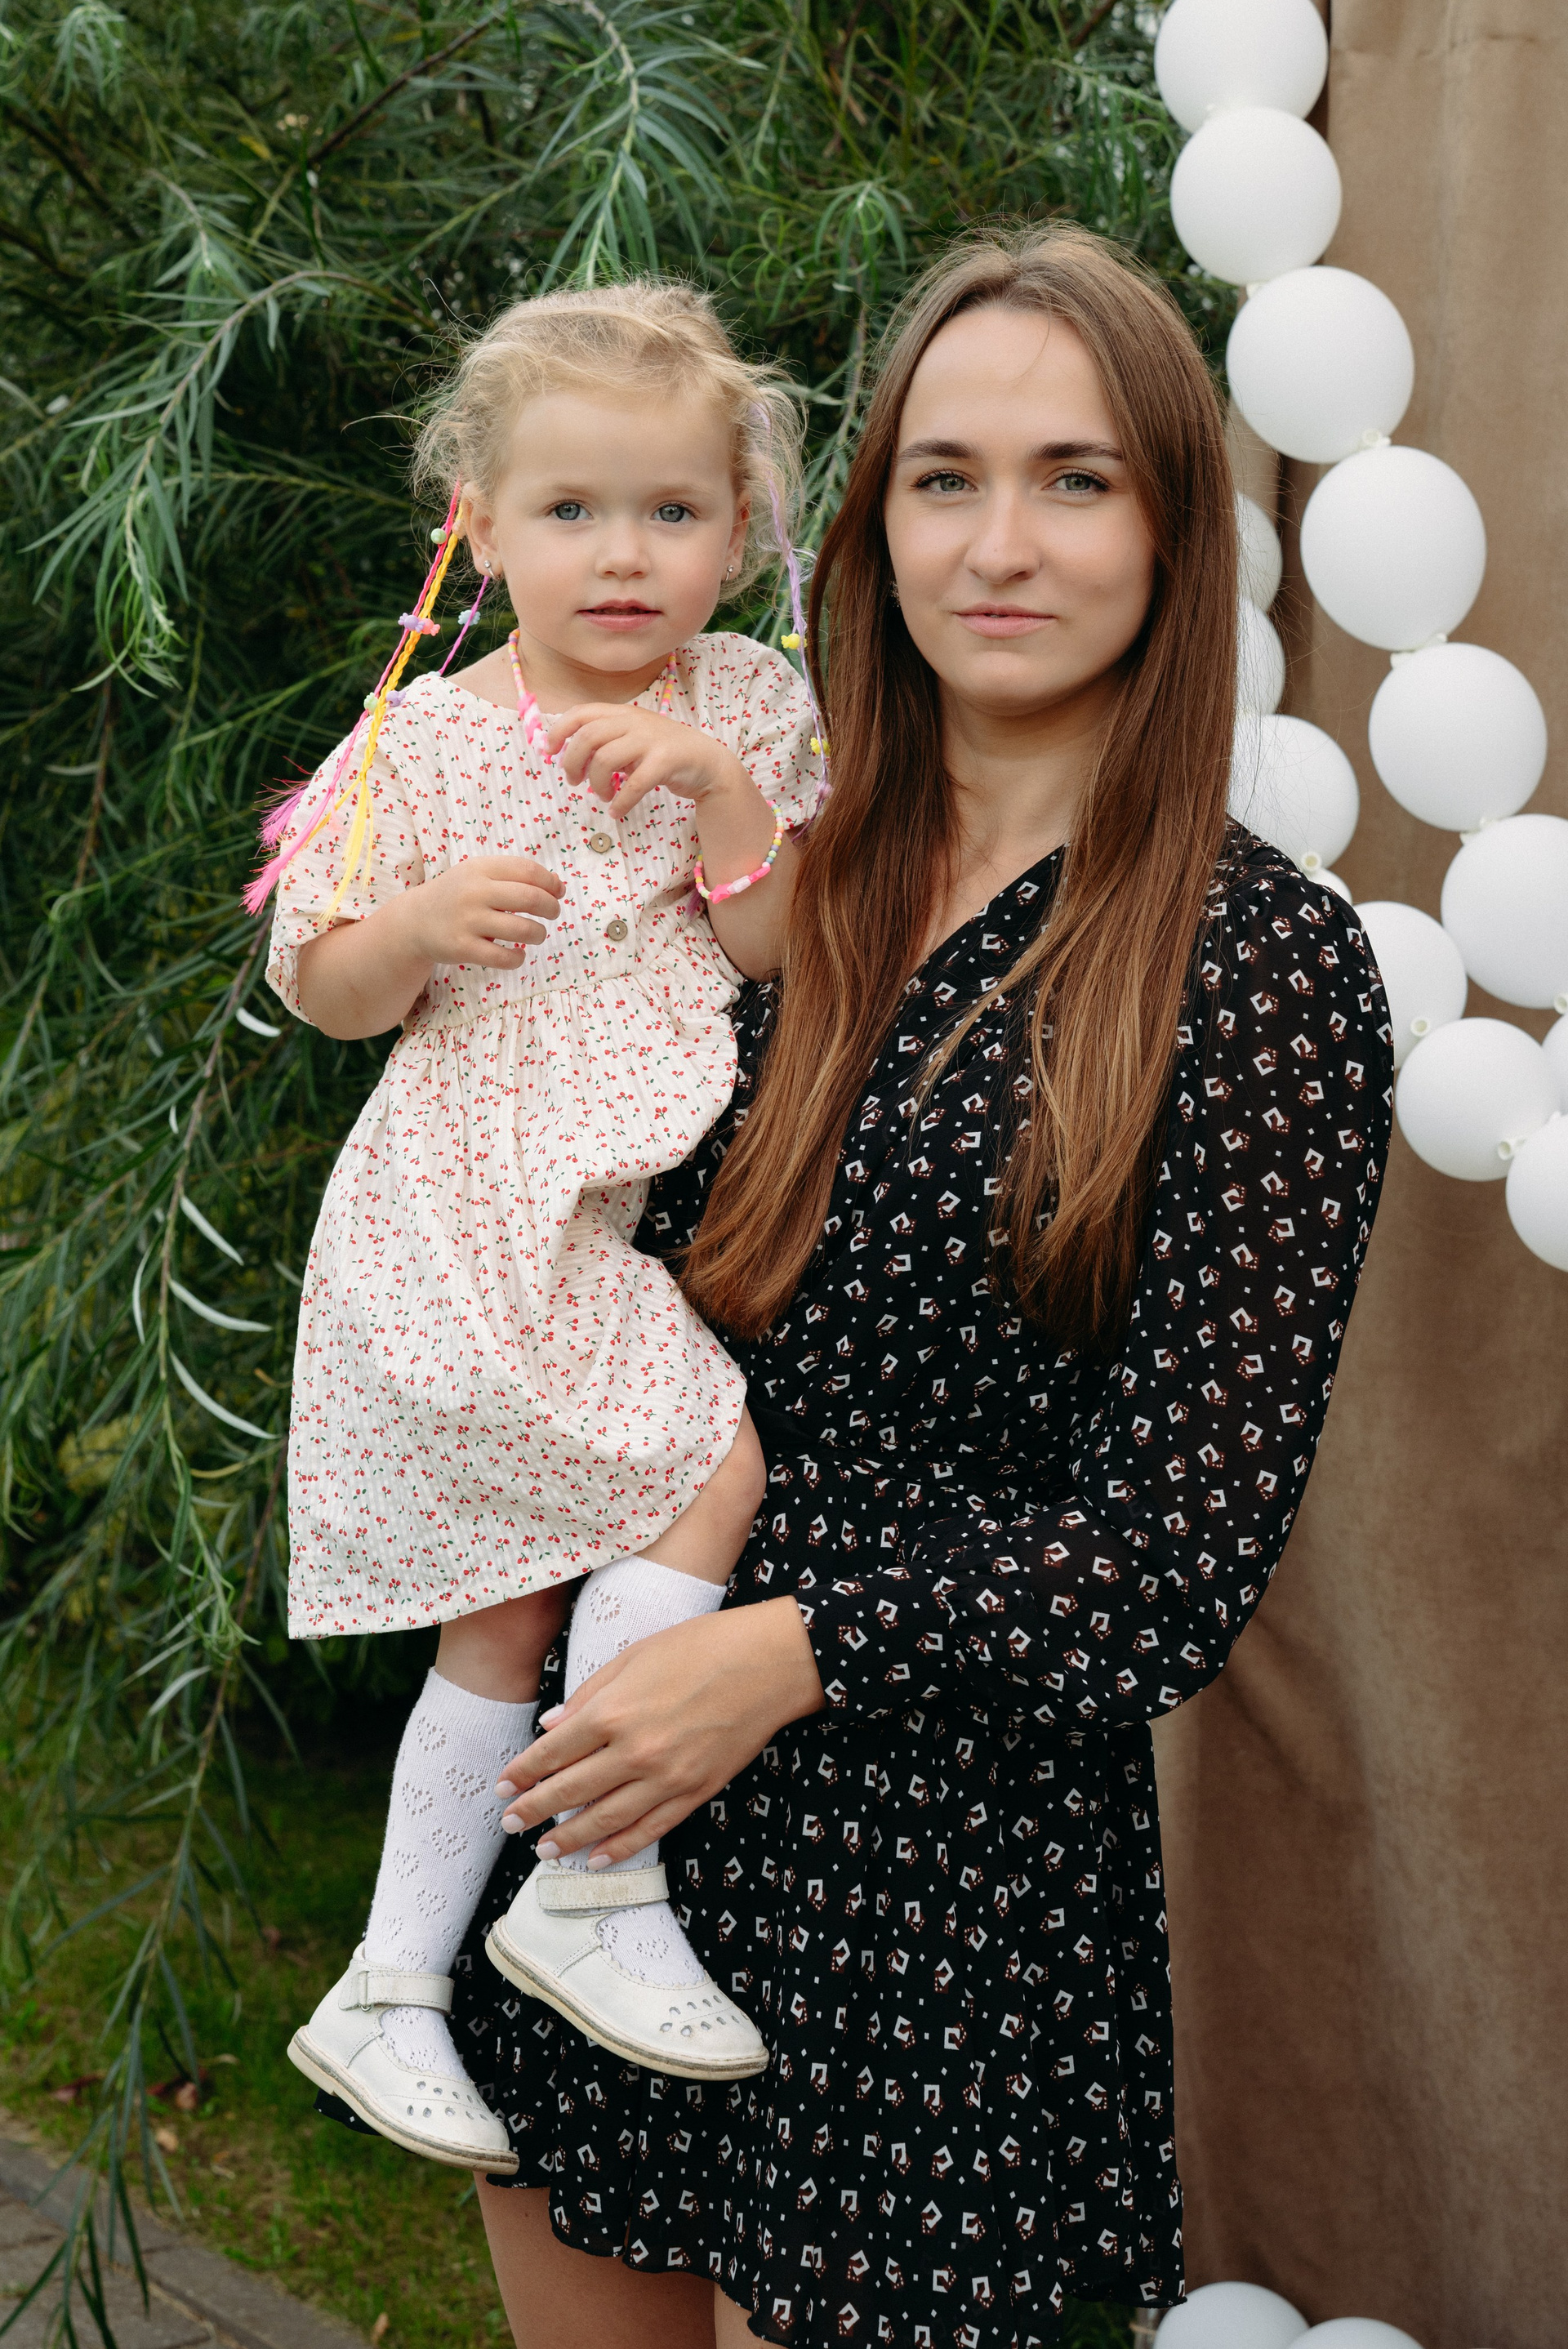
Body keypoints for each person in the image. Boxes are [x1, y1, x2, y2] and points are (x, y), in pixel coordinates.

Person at [450, 224, 1394, 2349]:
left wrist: (791, 1651)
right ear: (874, 525)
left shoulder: (1256, 968)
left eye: (1075, 479)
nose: (1001, 542)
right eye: (945, 477)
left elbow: (1173, 1552)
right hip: (609, 1797)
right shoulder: (749, 867)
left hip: (936, 1882)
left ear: (1174, 528)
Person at [258, 280, 826, 2173]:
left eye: (673, 510)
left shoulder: (743, 705)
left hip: (587, 1220)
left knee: (507, 1606)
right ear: (482, 527)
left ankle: (391, 1983)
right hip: (461, 1216)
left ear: (737, 528)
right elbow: (321, 980)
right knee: (707, 1465)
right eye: (571, 510)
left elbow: (778, 949)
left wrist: (721, 795)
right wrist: (415, 932)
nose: (624, 553)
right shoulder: (421, 738)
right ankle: (593, 1884)